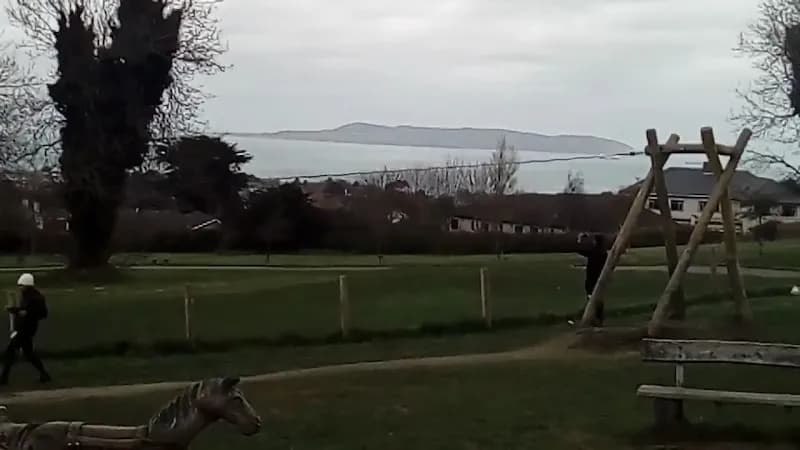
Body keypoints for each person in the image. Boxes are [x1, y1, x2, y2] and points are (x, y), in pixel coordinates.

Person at [0, 273, 51, 385]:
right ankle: (45, 375)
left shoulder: (36, 298)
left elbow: (41, 313)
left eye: (21, 285)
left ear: (27, 285)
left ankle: (3, 379)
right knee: (29, 354)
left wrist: (25, 313)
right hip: (23, 328)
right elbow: (23, 311)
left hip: (27, 329)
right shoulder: (27, 296)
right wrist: (14, 310)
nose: (20, 288)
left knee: (10, 351)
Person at [577, 233, 609, 327]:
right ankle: (599, 317)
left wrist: (579, 240)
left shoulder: (593, 252)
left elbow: (580, 251)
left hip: (591, 278)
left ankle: (592, 317)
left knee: (590, 296)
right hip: (600, 278)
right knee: (598, 298)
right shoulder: (604, 253)